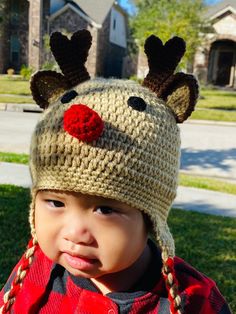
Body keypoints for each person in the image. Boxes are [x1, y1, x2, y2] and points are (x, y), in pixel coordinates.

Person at [0, 29, 231, 314]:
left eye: (105, 210)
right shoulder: (34, 274)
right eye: (55, 202)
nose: (75, 233)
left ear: (151, 216)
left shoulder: (194, 301)